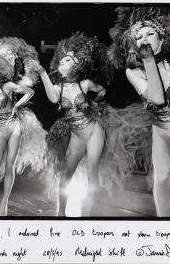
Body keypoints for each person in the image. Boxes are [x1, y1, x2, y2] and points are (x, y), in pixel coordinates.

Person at [32, 33, 110, 216]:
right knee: (65, 175)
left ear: (76, 65)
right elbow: (52, 98)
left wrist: (97, 103)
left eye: (66, 60)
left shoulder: (85, 84)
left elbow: (102, 90)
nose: (61, 62)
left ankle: (91, 215)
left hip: (93, 133)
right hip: (76, 136)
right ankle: (61, 214)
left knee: (92, 172)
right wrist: (43, 73)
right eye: (60, 61)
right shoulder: (58, 89)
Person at [0, 37, 47, 216]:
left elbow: (30, 91)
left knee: (9, 166)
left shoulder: (6, 85)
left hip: (13, 128)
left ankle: (3, 204)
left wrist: (16, 106)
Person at [109, 7, 170, 216]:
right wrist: (148, 60)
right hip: (161, 128)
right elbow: (157, 98)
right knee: (161, 178)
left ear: (162, 39)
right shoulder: (133, 71)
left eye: (150, 34)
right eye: (139, 36)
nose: (144, 39)